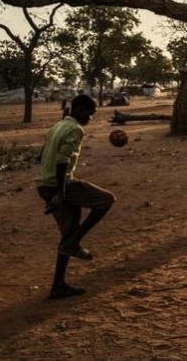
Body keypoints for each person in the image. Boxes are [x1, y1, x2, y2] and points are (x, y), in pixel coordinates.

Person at [36, 94, 116, 299]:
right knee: (106, 200)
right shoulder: (75, 129)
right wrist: (62, 192)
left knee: (67, 233)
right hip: (60, 185)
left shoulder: (58, 125)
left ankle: (58, 285)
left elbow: (42, 155)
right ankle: (75, 242)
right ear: (81, 110)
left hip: (44, 184)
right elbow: (62, 159)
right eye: (90, 114)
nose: (91, 119)